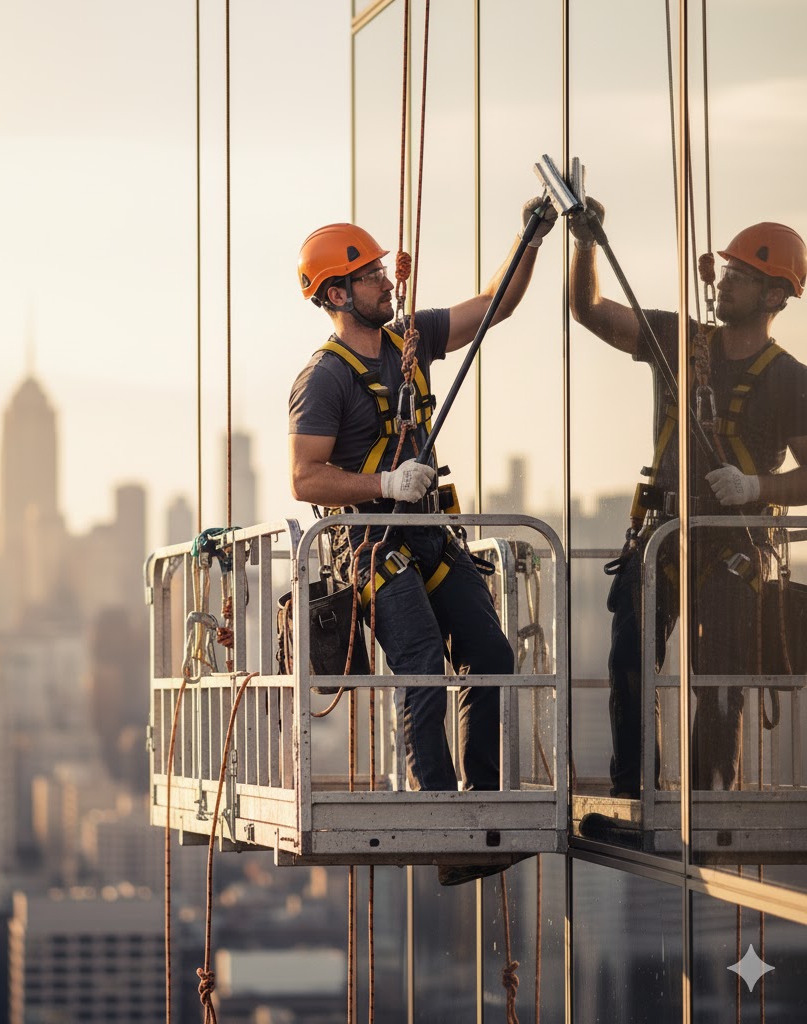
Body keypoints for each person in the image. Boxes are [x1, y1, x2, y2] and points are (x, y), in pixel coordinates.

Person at [288, 200, 556, 884]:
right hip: (374, 546)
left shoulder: (412, 338)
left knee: (491, 653)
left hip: (430, 533)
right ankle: (444, 824)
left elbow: (495, 305)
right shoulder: (324, 378)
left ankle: (480, 802)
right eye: (371, 274)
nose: (387, 281)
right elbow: (305, 477)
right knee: (423, 667)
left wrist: (529, 237)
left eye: (382, 270)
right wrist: (385, 482)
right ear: (338, 294)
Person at [568, 202, 807, 796]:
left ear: (775, 296)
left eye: (740, 276)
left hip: (736, 544)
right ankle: (635, 791)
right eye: (723, 272)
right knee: (628, 659)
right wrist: (585, 245)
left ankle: (706, 797)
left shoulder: (788, 379)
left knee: (720, 675)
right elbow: (589, 310)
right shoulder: (681, 341)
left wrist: (757, 488)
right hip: (664, 534)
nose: (724, 282)